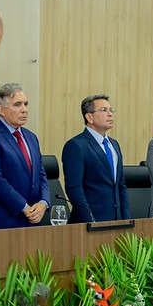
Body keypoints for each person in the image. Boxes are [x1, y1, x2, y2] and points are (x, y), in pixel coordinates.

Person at [0, 83, 49, 229]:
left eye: (26, 104)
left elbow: (41, 175)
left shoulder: (31, 137)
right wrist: (24, 207)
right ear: (1, 109)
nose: (24, 110)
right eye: (17, 105)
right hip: (4, 221)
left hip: (34, 220)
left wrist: (43, 203)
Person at [61, 94, 129, 222]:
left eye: (111, 110)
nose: (110, 114)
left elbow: (120, 185)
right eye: (104, 110)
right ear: (89, 117)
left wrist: (126, 219)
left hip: (116, 220)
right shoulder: (76, 145)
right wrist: (90, 221)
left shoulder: (114, 145)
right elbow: (74, 188)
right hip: (89, 222)